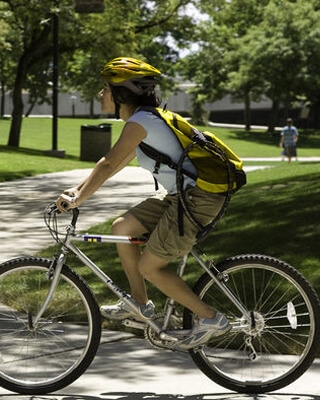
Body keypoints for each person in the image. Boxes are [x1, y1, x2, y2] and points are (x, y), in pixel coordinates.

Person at [55, 57, 230, 348]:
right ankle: (140, 304)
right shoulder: (143, 121)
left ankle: (212, 318)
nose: (100, 94)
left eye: (105, 89)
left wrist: (78, 199)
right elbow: (115, 163)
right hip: (181, 196)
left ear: (122, 93)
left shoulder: (141, 122)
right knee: (122, 227)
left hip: (197, 199)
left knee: (151, 267)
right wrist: (76, 190)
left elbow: (109, 164)